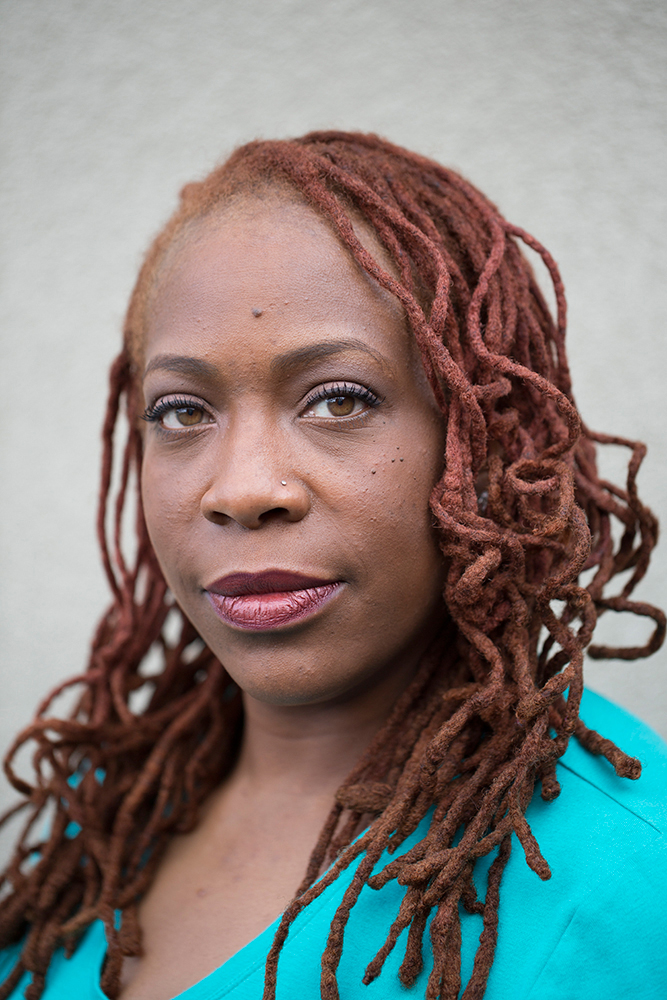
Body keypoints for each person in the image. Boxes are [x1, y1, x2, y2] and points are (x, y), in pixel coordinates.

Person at [0, 132, 665, 1000]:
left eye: (339, 399)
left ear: (487, 443)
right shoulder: (104, 811)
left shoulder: (634, 878)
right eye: (182, 411)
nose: (241, 490)